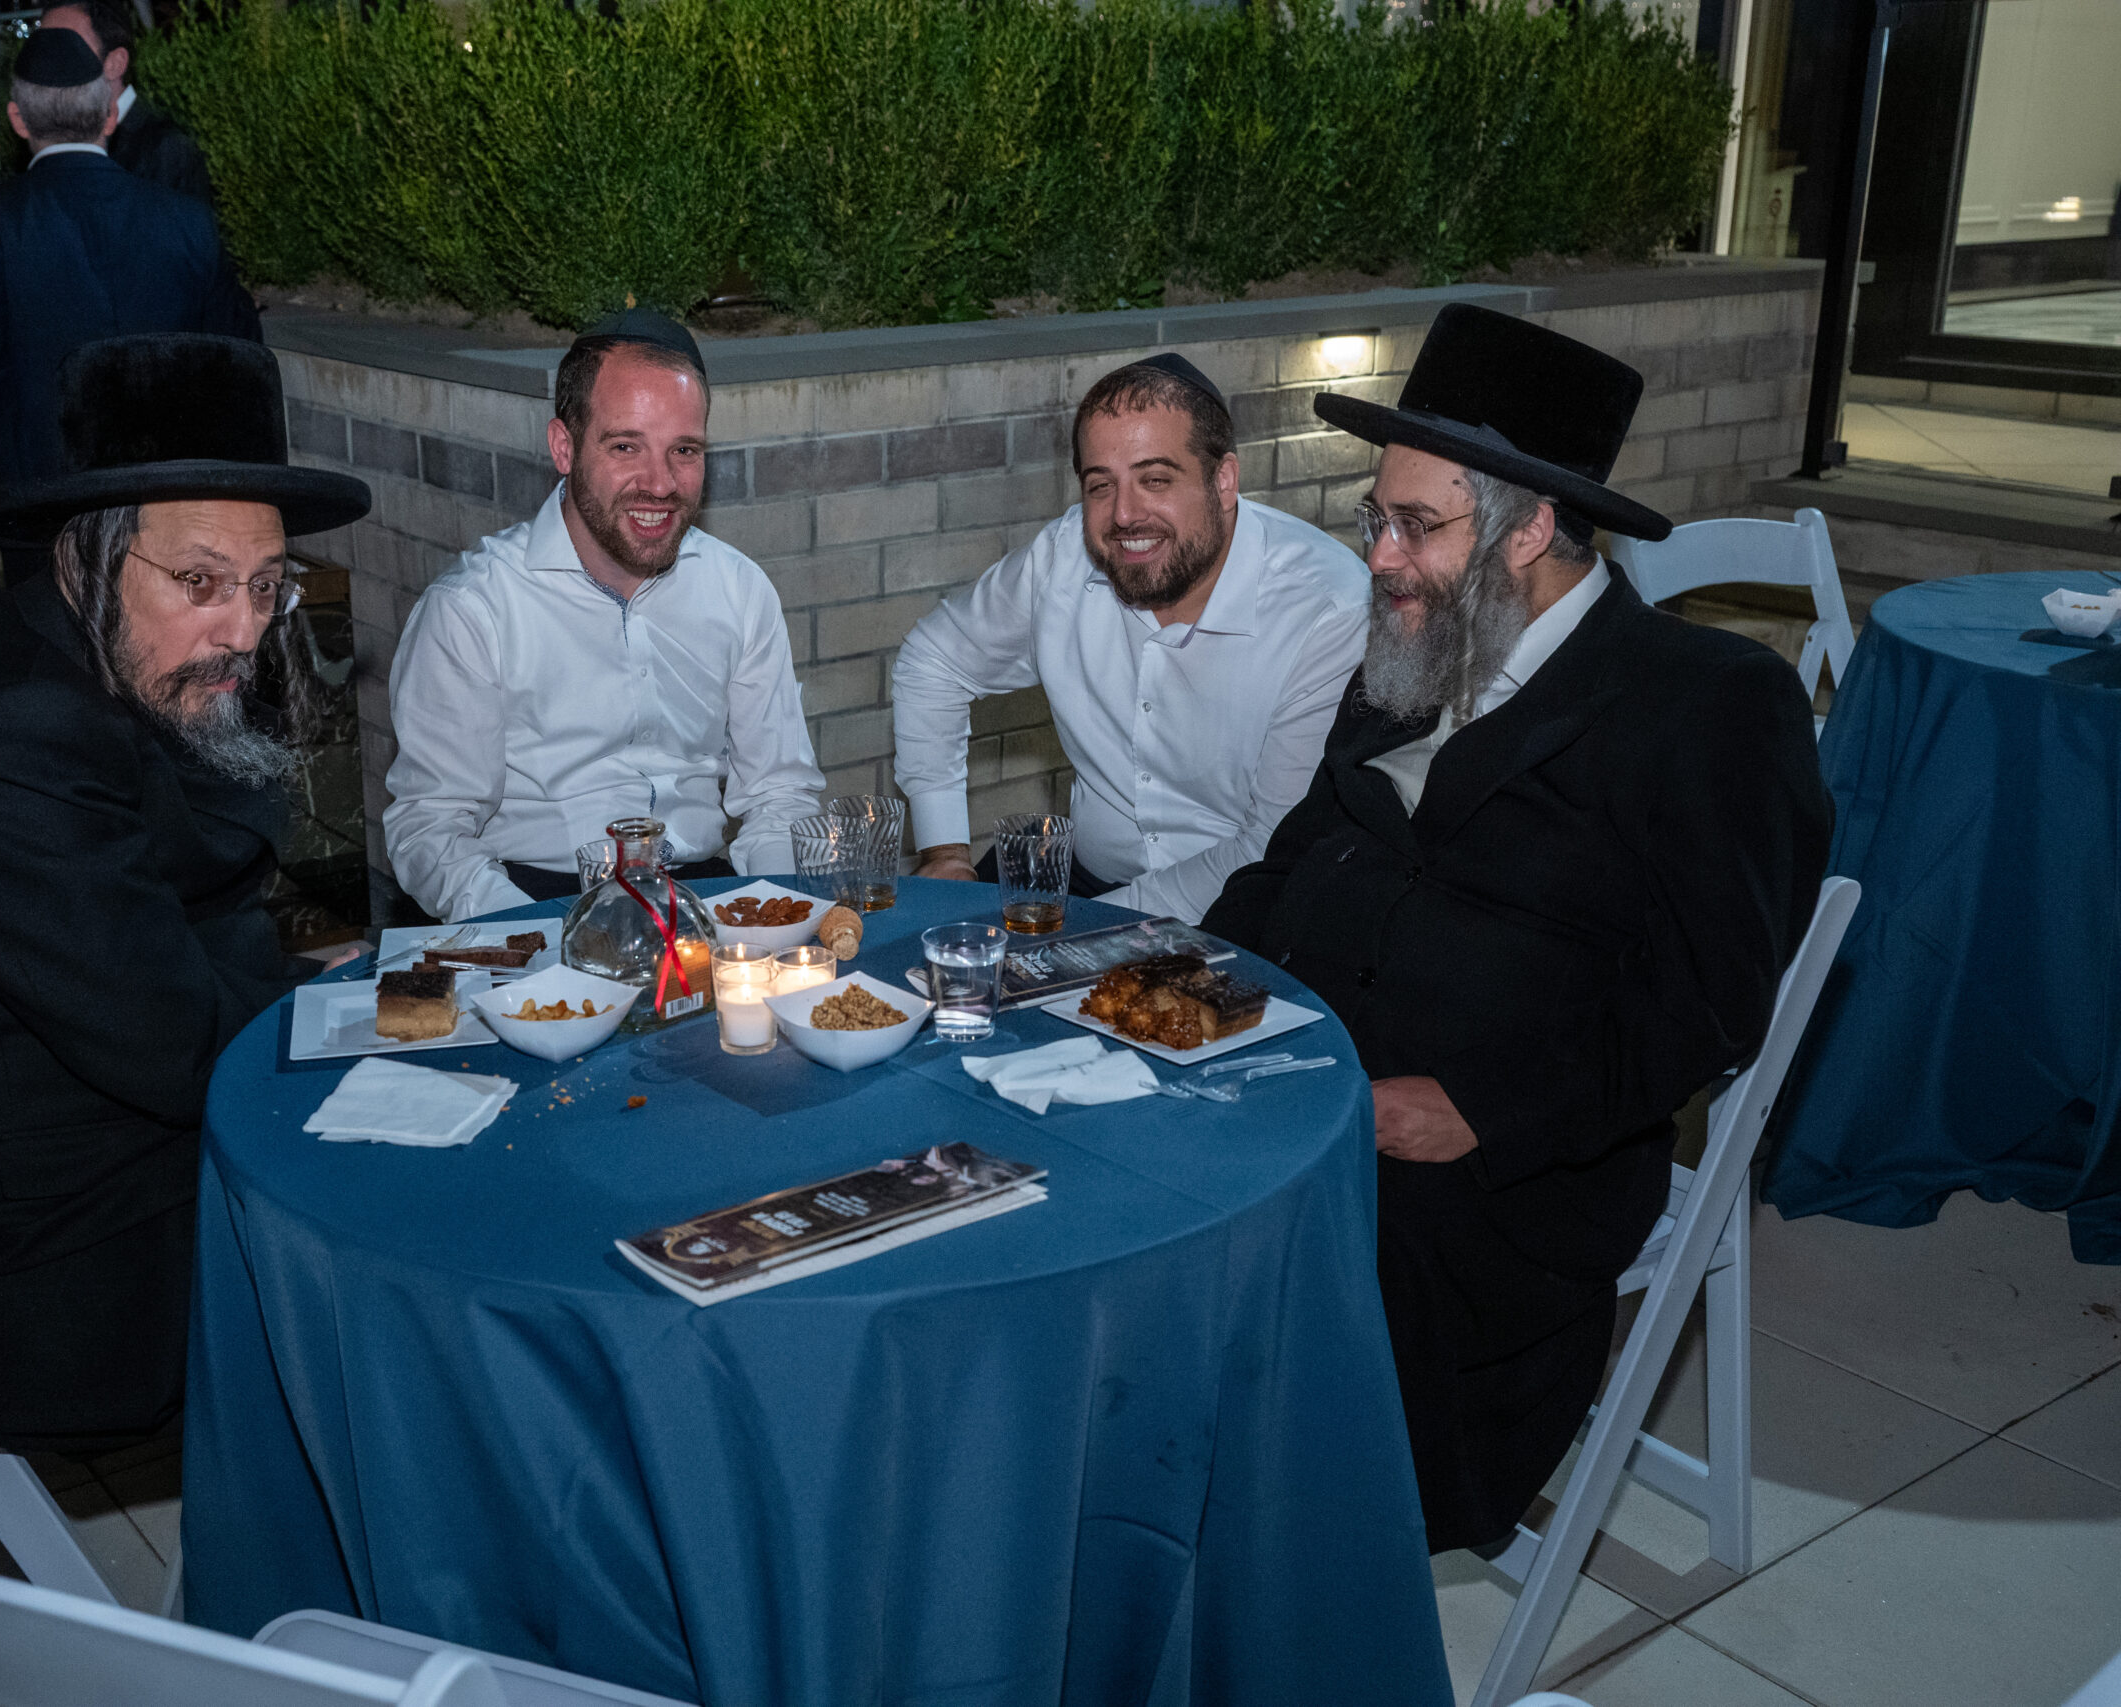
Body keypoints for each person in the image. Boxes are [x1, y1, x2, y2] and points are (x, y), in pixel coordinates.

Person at [1198, 304, 1832, 1554]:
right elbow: (1288, 864)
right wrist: (1182, 984)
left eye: (1415, 527)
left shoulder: (1706, 702)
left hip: (1494, 1179)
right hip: (1298, 1082)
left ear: (1530, 530)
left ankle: (1268, 1566)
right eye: (1375, 520)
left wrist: (1480, 1109)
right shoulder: (1412, 651)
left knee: (1238, 1328)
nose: (1381, 559)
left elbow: (1710, 999)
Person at [0, 333, 371, 1456]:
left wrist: (317, 982)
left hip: (74, 1161)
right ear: (88, 553)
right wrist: (358, 1008)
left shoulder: (60, 663)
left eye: (266, 585)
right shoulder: (8, 736)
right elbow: (186, 1052)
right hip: (45, 1274)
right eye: (199, 582)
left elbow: (191, 914)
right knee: (428, 1258)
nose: (244, 630)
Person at [891, 354, 1367, 924]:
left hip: (1245, 909)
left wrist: (1084, 934)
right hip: (1084, 882)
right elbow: (933, 661)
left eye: (1155, 479)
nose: (1123, 514)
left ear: (1223, 481)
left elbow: (1273, 845)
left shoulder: (1325, 610)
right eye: (1100, 486)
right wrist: (944, 850)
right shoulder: (1063, 559)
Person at [383, 308, 825, 921]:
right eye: (625, 446)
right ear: (564, 447)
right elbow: (430, 827)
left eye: (684, 450)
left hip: (704, 894)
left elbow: (780, 793)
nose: (660, 483)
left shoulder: (739, 588)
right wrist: (531, 935)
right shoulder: (473, 608)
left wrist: (771, 912)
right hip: (535, 897)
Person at [0, 26, 259, 588]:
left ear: (18, 120)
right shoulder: (187, 220)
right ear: (109, 114)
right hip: (169, 505)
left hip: (44, 511)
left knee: (53, 643)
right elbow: (238, 362)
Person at [40, 0, 216, 204]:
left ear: (116, 64)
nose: (46, 64)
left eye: (67, 50)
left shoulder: (165, 149)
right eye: (43, 50)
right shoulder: (50, 141)